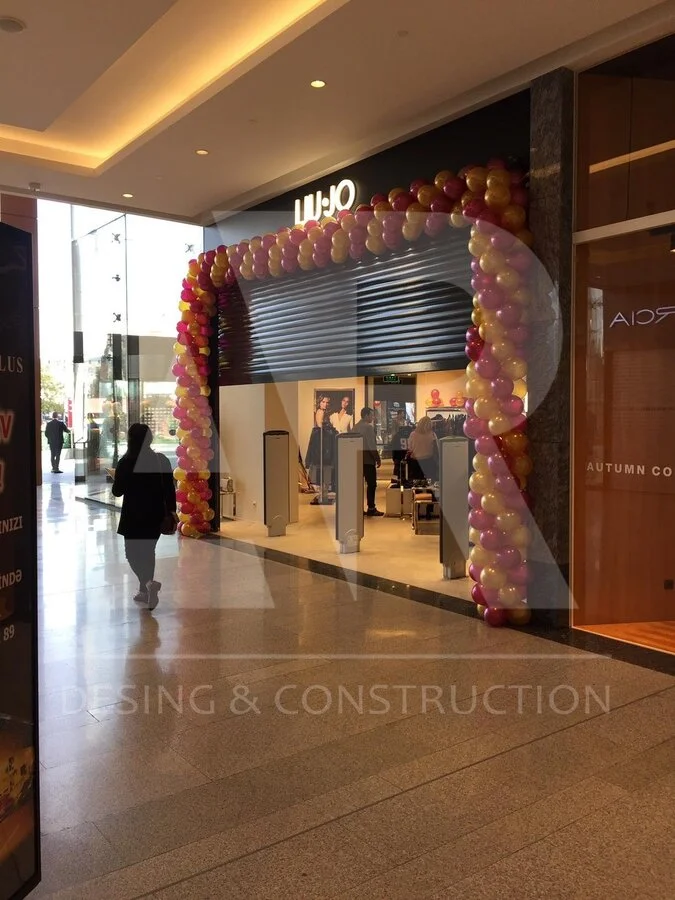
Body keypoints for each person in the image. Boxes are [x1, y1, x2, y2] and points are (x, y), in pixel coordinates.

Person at [112, 423, 176, 610]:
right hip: (155, 515)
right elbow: (169, 489)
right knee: (149, 552)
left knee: (132, 554)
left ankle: (148, 584)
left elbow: (117, 491)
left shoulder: (126, 462)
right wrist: (171, 512)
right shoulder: (161, 460)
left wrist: (118, 477)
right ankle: (145, 591)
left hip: (133, 515)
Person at [352, 407, 383, 516]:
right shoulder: (368, 428)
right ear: (366, 415)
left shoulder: (355, 427)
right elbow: (371, 445)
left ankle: (358, 508)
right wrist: (377, 458)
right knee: (371, 484)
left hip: (357, 460)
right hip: (368, 460)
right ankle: (371, 507)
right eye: (371, 415)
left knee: (358, 486)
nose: (373, 417)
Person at [407, 415, 439, 482]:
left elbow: (410, 448)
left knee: (416, 482)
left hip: (415, 462)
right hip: (429, 461)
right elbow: (437, 448)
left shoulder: (413, 434)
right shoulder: (433, 435)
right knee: (430, 482)